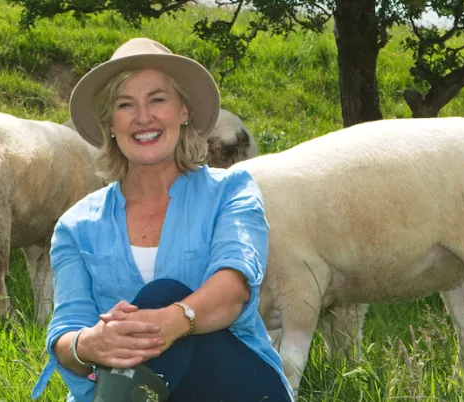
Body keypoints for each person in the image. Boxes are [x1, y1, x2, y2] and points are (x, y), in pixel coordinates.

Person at [30, 37, 293, 402]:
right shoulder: (77, 226)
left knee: (162, 295)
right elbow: (66, 336)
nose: (143, 117)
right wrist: (92, 343)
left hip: (233, 382)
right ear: (110, 122)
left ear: (183, 111)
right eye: (125, 104)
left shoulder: (231, 190)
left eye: (157, 99)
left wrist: (171, 321)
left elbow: (234, 288)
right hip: (129, 386)